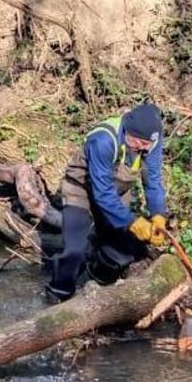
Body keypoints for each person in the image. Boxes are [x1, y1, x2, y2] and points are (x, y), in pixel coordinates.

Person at [46, 102, 168, 302]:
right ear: (128, 131)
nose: (144, 149)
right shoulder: (102, 140)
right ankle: (57, 295)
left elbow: (153, 180)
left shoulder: (151, 139)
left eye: (148, 145)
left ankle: (95, 282)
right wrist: (131, 222)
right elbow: (102, 194)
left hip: (117, 195)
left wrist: (158, 214)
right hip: (81, 192)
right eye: (139, 143)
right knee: (74, 252)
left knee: (125, 251)